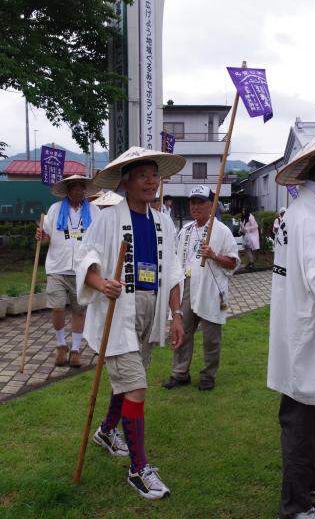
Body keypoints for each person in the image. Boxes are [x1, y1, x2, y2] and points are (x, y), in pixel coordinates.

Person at [75, 146, 186, 500]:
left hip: (150, 312)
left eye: (155, 176)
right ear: (126, 181)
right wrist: (98, 282)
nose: (151, 182)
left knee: (126, 380)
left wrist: (176, 313)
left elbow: (172, 271)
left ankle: (107, 431)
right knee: (135, 386)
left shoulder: (163, 221)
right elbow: (86, 256)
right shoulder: (107, 219)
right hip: (117, 309)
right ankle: (139, 470)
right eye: (143, 176)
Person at [268, 128, 315, 519]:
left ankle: (310, 484)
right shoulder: (310, 217)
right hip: (310, 340)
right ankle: (295, 506)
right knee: (304, 430)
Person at [162, 185, 239, 391]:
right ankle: (179, 373)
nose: (195, 206)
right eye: (192, 202)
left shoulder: (221, 231)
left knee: (211, 336)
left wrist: (214, 255)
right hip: (187, 285)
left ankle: (208, 374)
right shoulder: (185, 230)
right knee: (182, 331)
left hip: (213, 289)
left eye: (200, 202)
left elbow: (233, 262)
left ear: (211, 205)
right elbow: (177, 262)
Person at [35, 175, 100, 367]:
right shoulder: (55, 210)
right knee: (57, 307)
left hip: (83, 269)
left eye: (81, 187)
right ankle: (61, 344)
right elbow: (46, 236)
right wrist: (41, 235)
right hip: (57, 267)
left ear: (85, 190)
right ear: (67, 190)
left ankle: (76, 349)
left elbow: (100, 237)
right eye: (74, 187)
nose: (78, 190)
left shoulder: (94, 211)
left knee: (79, 311)